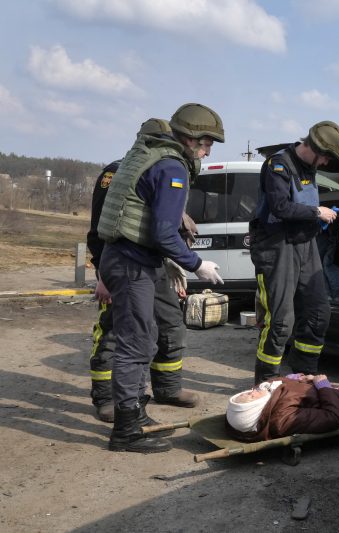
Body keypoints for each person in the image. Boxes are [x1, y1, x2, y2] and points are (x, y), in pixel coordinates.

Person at [96, 103, 226, 453]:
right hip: (132, 264)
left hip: (133, 258)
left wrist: (166, 262)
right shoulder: (172, 167)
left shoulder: (149, 155)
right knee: (135, 343)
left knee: (147, 336)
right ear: (189, 137)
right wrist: (196, 263)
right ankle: (126, 430)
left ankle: (136, 413)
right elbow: (166, 232)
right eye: (206, 142)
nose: (208, 149)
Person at [86, 119, 201, 423]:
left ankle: (167, 387)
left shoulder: (162, 167)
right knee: (115, 332)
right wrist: (102, 276)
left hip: (153, 261)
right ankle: (107, 398)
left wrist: (176, 261)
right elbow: (100, 229)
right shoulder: (118, 172)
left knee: (170, 323)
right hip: (122, 261)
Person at [249, 121, 339, 383]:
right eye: (325, 157)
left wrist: (319, 219)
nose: (325, 164)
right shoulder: (278, 165)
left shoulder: (309, 167)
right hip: (277, 246)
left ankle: (305, 376)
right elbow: (280, 206)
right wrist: (317, 212)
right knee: (281, 321)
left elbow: (301, 204)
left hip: (305, 244)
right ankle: (265, 382)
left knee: (318, 313)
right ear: (314, 148)